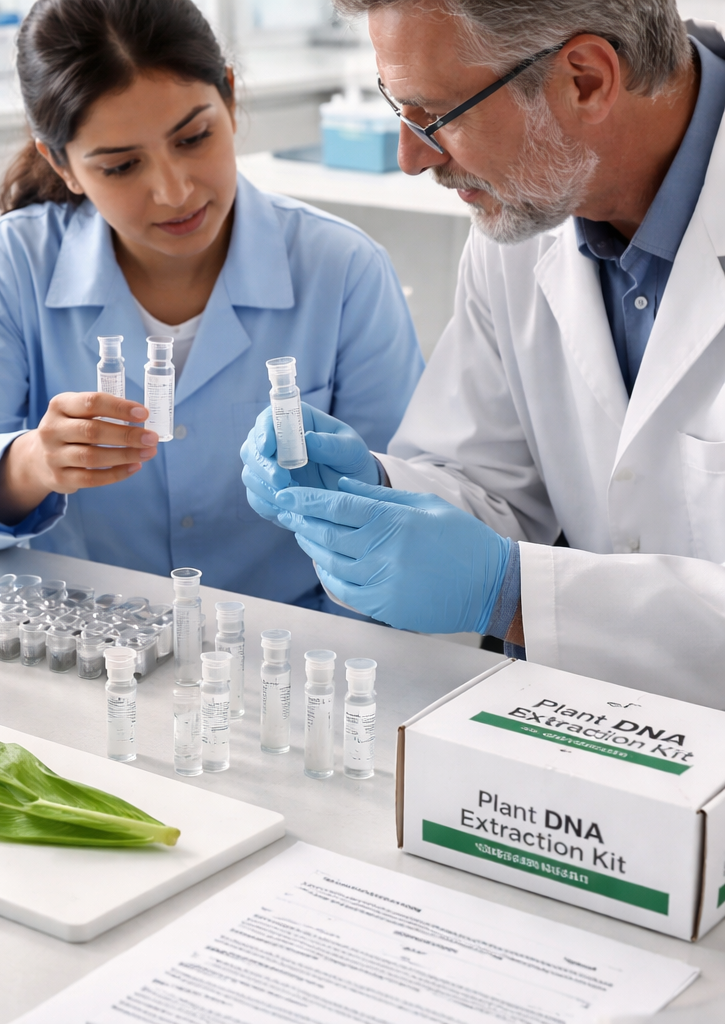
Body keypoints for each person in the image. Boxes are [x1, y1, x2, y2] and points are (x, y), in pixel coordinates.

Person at [242, 0, 725, 705]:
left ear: (585, 80)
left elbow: (504, 572)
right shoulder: (531, 215)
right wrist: (377, 493)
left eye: (436, 115)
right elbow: (491, 485)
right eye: (399, 110)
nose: (411, 156)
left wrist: (517, 592)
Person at [0, 0, 422, 610]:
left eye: (194, 137)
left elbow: (401, 511)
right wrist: (33, 463)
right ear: (61, 164)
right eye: (120, 166)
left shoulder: (343, 269)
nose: (174, 191)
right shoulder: (15, 264)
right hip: (87, 648)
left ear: (230, 97)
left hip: (291, 654)